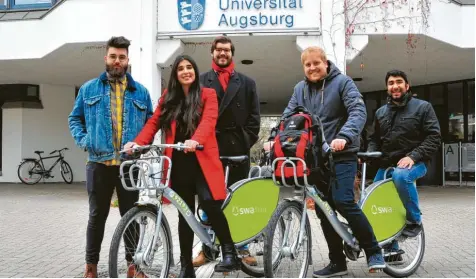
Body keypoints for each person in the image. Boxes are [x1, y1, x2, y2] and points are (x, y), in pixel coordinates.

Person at [124, 55, 241, 277]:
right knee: (184, 215)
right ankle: (186, 266)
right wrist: (138, 143)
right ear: (175, 75)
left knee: (209, 203)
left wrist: (195, 139)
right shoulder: (168, 98)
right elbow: (153, 123)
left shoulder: (208, 94)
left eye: (189, 67)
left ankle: (229, 252)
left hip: (202, 160)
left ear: (195, 71)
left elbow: (209, 121)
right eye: (180, 69)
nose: (186, 71)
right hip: (178, 164)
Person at [283, 46, 385, 277]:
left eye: (316, 63)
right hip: (317, 158)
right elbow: (288, 117)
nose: (312, 68)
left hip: (343, 153)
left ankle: (373, 250)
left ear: (325, 63)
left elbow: (358, 111)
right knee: (323, 209)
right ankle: (337, 262)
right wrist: (275, 139)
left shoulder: (343, 83)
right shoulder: (300, 89)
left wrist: (345, 136)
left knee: (343, 201)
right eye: (307, 65)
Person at [68, 36, 154, 278]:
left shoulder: (141, 92)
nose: (118, 61)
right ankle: (91, 267)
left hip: (129, 166)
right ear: (106, 58)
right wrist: (86, 141)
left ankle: (133, 266)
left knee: (131, 217)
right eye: (113, 56)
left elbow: (151, 122)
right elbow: (75, 119)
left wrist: (142, 145)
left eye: (122, 57)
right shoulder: (89, 89)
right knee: (97, 217)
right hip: (99, 163)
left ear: (128, 60)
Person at [193, 36, 260, 267]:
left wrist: (244, 141)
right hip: (209, 149)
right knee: (206, 201)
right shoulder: (200, 81)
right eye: (219, 50)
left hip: (237, 149)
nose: (223, 54)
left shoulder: (248, 83)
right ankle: (207, 249)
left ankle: (241, 247)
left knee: (238, 200)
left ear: (232, 53)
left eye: (227, 50)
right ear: (212, 53)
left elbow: (254, 120)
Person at [368, 69, 441, 239]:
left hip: (415, 163)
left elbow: (434, 137)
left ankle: (414, 220)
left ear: (407, 86)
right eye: (391, 83)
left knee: (401, 176)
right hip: (387, 165)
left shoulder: (423, 107)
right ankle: (391, 247)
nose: (395, 86)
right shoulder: (380, 113)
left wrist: (413, 156)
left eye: (399, 82)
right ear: (387, 88)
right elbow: (374, 139)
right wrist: (369, 154)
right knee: (372, 197)